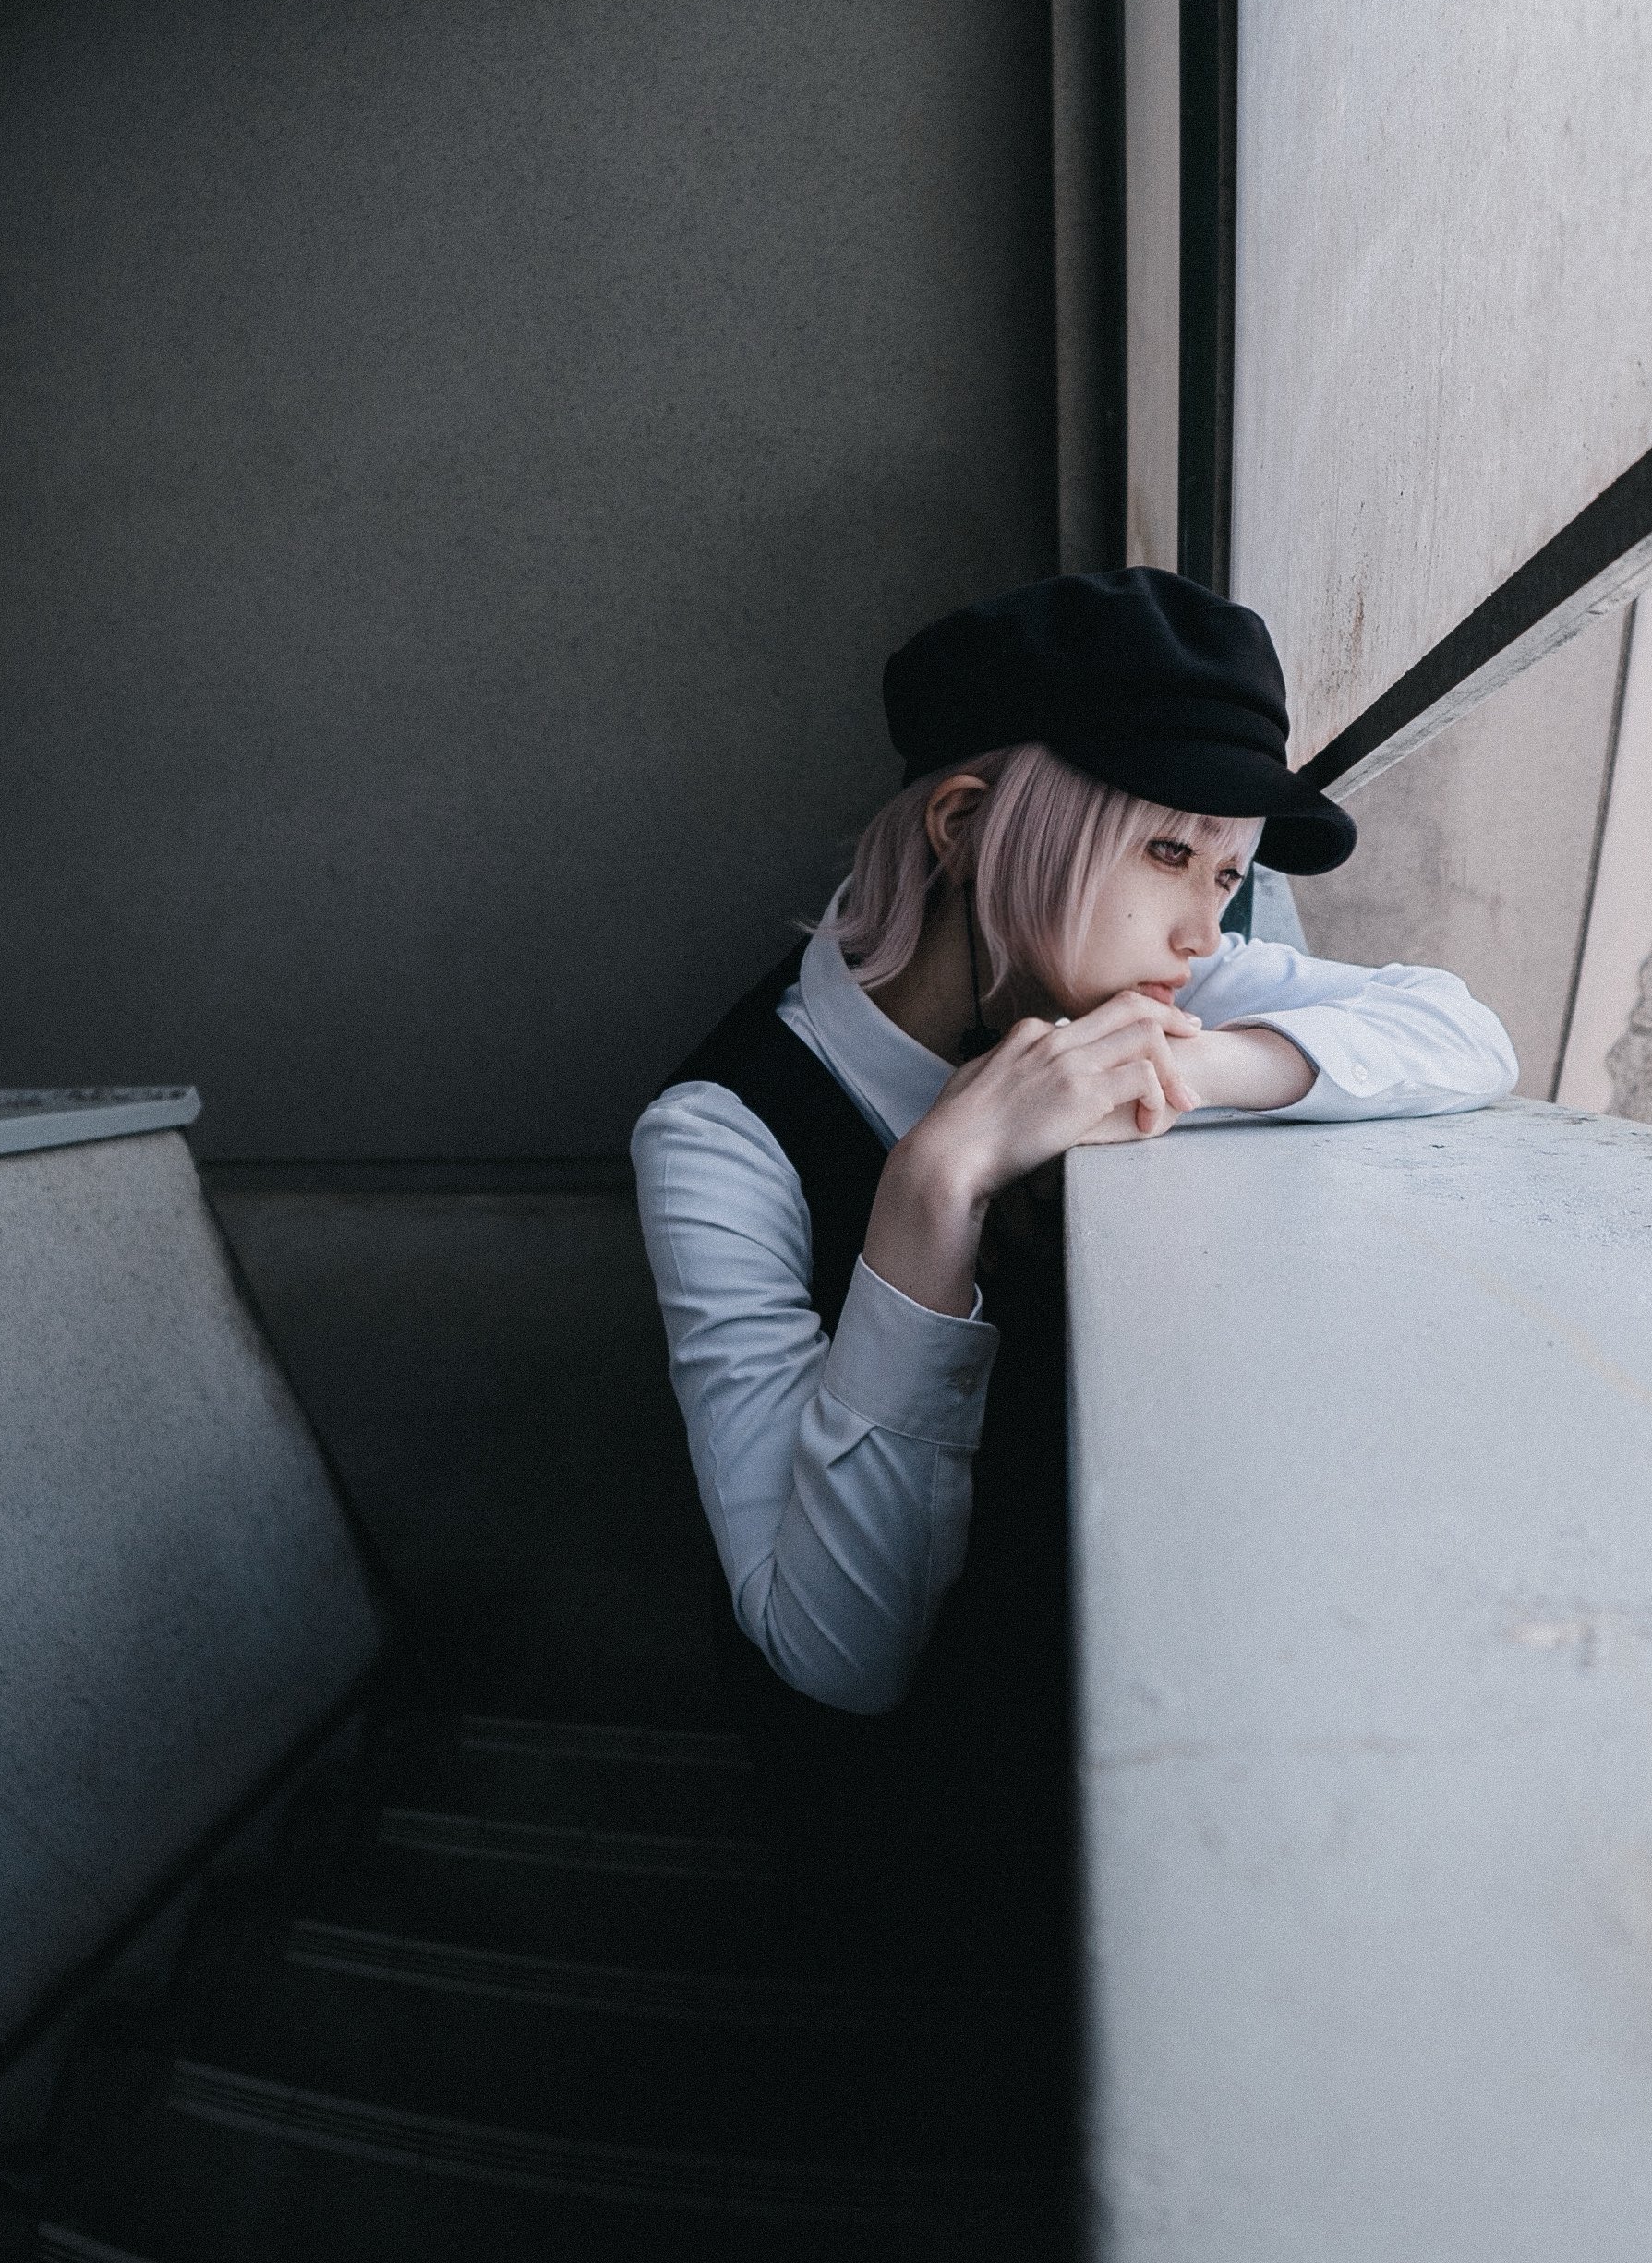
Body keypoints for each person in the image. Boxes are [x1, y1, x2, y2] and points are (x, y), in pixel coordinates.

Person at [629, 567, 1514, 1990]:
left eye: (1229, 875)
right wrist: (929, 1196)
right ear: (966, 827)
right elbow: (833, 1652)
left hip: (1103, 1708)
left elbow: (1465, 1034)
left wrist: (1203, 1065)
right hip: (901, 1849)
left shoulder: (1134, 995)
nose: (1206, 934)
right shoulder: (718, 1136)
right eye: (1168, 854)